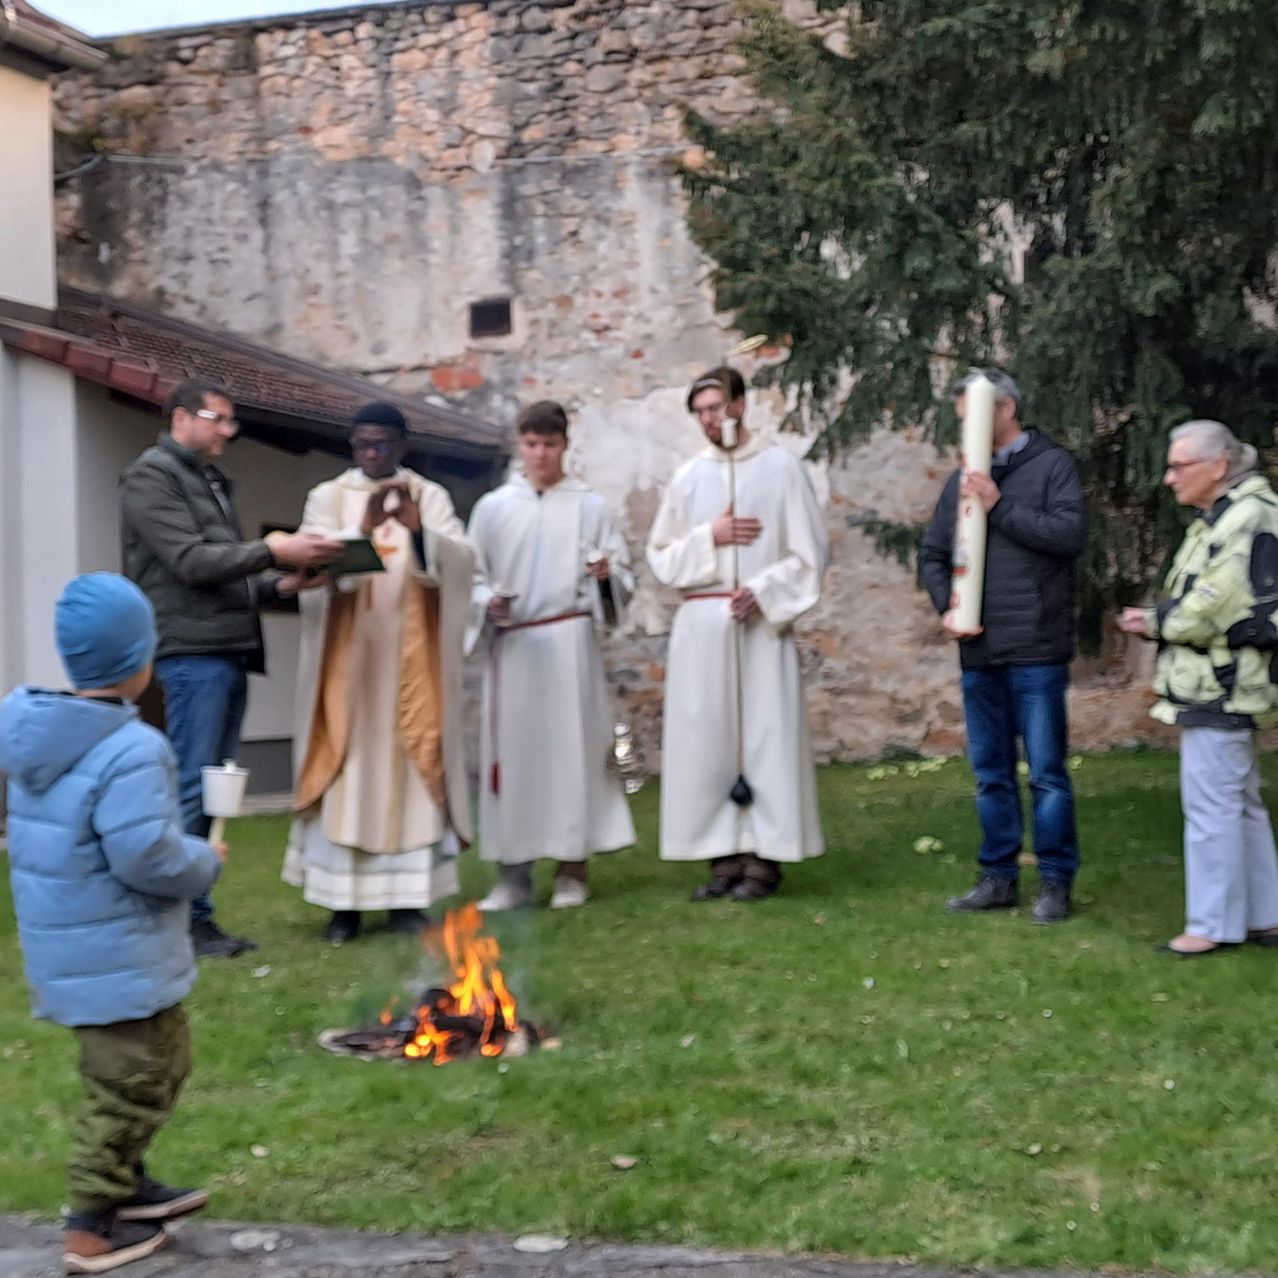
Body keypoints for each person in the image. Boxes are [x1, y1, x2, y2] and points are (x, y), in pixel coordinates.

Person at [0, 574, 224, 1274]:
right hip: (115, 956)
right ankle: (90, 1224)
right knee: (127, 1084)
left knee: (163, 1062)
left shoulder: (42, 739)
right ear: (140, 659)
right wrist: (203, 860)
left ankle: (127, 1187)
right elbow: (146, 857)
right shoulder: (131, 749)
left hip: (86, 954)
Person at [120, 377, 342, 958]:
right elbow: (192, 563)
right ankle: (182, 921)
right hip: (190, 655)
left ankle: (198, 915)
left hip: (225, 648)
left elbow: (227, 576)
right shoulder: (151, 477)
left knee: (213, 789)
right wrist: (275, 549)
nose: (229, 432)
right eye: (219, 419)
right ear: (180, 418)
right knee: (193, 787)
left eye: (230, 421)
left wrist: (283, 583)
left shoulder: (207, 479)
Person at [283, 403, 475, 943]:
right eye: (365, 444)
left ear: (402, 445)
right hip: (351, 664)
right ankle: (343, 906)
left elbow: (461, 562)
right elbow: (310, 561)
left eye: (385, 444)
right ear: (353, 446)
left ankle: (407, 903)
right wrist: (360, 532)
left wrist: (419, 536)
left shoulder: (428, 495)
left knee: (413, 772)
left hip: (412, 665)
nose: (374, 454)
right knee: (348, 769)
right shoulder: (329, 496)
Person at [646, 366, 828, 900]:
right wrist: (711, 536)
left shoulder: (780, 469)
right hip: (702, 629)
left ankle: (764, 860)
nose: (709, 419)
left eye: (717, 407)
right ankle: (722, 859)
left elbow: (810, 555)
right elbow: (661, 557)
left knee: (765, 738)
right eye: (700, 411)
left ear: (740, 405)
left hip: (760, 627)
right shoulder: (688, 478)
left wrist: (765, 591)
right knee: (707, 743)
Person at [920, 369, 1087, 923]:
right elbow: (933, 555)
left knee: (1045, 772)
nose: (965, 425)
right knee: (990, 772)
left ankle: (1056, 881)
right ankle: (998, 877)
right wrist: (949, 606)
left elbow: (1066, 537)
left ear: (1006, 407)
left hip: (1036, 647)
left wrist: (999, 504)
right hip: (979, 650)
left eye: (974, 412)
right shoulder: (959, 481)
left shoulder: (1052, 466)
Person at [467, 401, 636, 910]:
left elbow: (622, 579)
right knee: (512, 759)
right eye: (532, 444)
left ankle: (571, 869)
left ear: (565, 446)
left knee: (571, 755)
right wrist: (487, 603)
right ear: (520, 445)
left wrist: (606, 579)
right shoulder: (494, 508)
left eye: (550, 444)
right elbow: (471, 575)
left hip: (568, 645)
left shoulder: (590, 506)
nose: (540, 454)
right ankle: (513, 876)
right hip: (516, 644)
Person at [1118, 420, 1278, 956]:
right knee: (1239, 801)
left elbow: (1215, 605)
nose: (1169, 478)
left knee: (1212, 805)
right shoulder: (1227, 515)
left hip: (1222, 684)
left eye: (1179, 466)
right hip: (1227, 682)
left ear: (1219, 467)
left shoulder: (1245, 517)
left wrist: (1157, 622)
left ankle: (1210, 926)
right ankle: (1264, 915)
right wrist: (1161, 617)